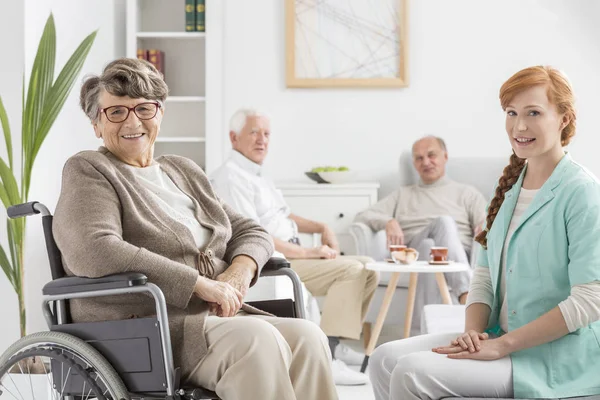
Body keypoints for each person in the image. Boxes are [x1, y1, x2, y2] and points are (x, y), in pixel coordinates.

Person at [52, 58, 338, 400]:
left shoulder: (182, 170)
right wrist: (199, 285)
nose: (133, 121)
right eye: (116, 112)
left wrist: (238, 273)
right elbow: (95, 250)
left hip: (213, 318)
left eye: (144, 109)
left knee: (308, 337)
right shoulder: (90, 169)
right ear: (97, 124)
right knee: (256, 342)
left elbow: (251, 231)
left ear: (159, 114)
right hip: (147, 324)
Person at [368, 65, 600, 400]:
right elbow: (485, 276)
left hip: (555, 355)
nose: (519, 126)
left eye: (534, 112)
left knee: (411, 372)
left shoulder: (582, 192)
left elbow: (591, 300)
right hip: (499, 337)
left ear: (564, 118)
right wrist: (473, 335)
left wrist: (503, 345)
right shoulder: (509, 191)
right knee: (383, 359)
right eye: (511, 113)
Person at [210, 108, 379, 386]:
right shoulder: (231, 177)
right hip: (274, 260)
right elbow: (252, 235)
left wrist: (321, 227)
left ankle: (335, 340)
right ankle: (329, 354)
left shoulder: (258, 173)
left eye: (266, 133)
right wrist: (310, 252)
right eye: (254, 132)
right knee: (350, 270)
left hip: (295, 252)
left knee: (369, 268)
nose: (262, 140)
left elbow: (283, 215)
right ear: (233, 137)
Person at [354, 136, 486, 333]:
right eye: (419, 158)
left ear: (445, 157)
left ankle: (422, 334)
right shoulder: (403, 194)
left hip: (455, 254)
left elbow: (486, 221)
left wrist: (486, 225)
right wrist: (388, 221)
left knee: (434, 238)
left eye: (431, 155)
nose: (426, 162)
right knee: (429, 239)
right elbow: (363, 215)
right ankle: (467, 296)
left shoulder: (466, 193)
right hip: (412, 252)